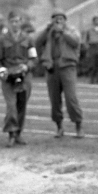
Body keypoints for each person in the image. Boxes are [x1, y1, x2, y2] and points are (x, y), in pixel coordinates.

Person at [36, 9, 84, 139]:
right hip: (52, 67)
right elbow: (37, 43)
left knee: (71, 98)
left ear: (65, 20)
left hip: (67, 66)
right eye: (55, 18)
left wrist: (62, 31)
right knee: (54, 100)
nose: (58, 21)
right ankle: (59, 127)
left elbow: (75, 42)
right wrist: (47, 30)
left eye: (61, 18)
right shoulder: (49, 33)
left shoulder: (71, 30)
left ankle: (78, 125)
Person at [0, 10, 38, 147]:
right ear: (8, 22)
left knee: (22, 105)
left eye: (17, 21)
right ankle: (11, 133)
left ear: (21, 22)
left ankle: (18, 133)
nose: (15, 24)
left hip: (24, 76)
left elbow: (34, 58)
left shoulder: (28, 39)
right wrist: (1, 70)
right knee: (11, 105)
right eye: (12, 21)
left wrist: (27, 66)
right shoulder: (2, 40)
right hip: (8, 76)